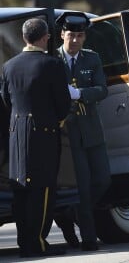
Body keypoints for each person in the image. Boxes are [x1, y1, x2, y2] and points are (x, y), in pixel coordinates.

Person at [1, 18, 71, 257]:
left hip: (16, 134)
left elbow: (6, 101)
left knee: (20, 191)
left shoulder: (8, 66)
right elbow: (63, 105)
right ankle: (38, 242)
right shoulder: (52, 65)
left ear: (23, 38)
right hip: (43, 134)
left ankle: (24, 242)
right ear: (45, 38)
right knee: (43, 190)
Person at [54, 12, 111, 251]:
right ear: (62, 35)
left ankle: (69, 213)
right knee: (84, 185)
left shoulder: (92, 58)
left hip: (91, 129)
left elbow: (102, 89)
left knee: (103, 180)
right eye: (71, 36)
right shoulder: (53, 59)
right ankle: (89, 237)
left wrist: (80, 94)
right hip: (67, 131)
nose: (75, 40)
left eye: (79, 36)